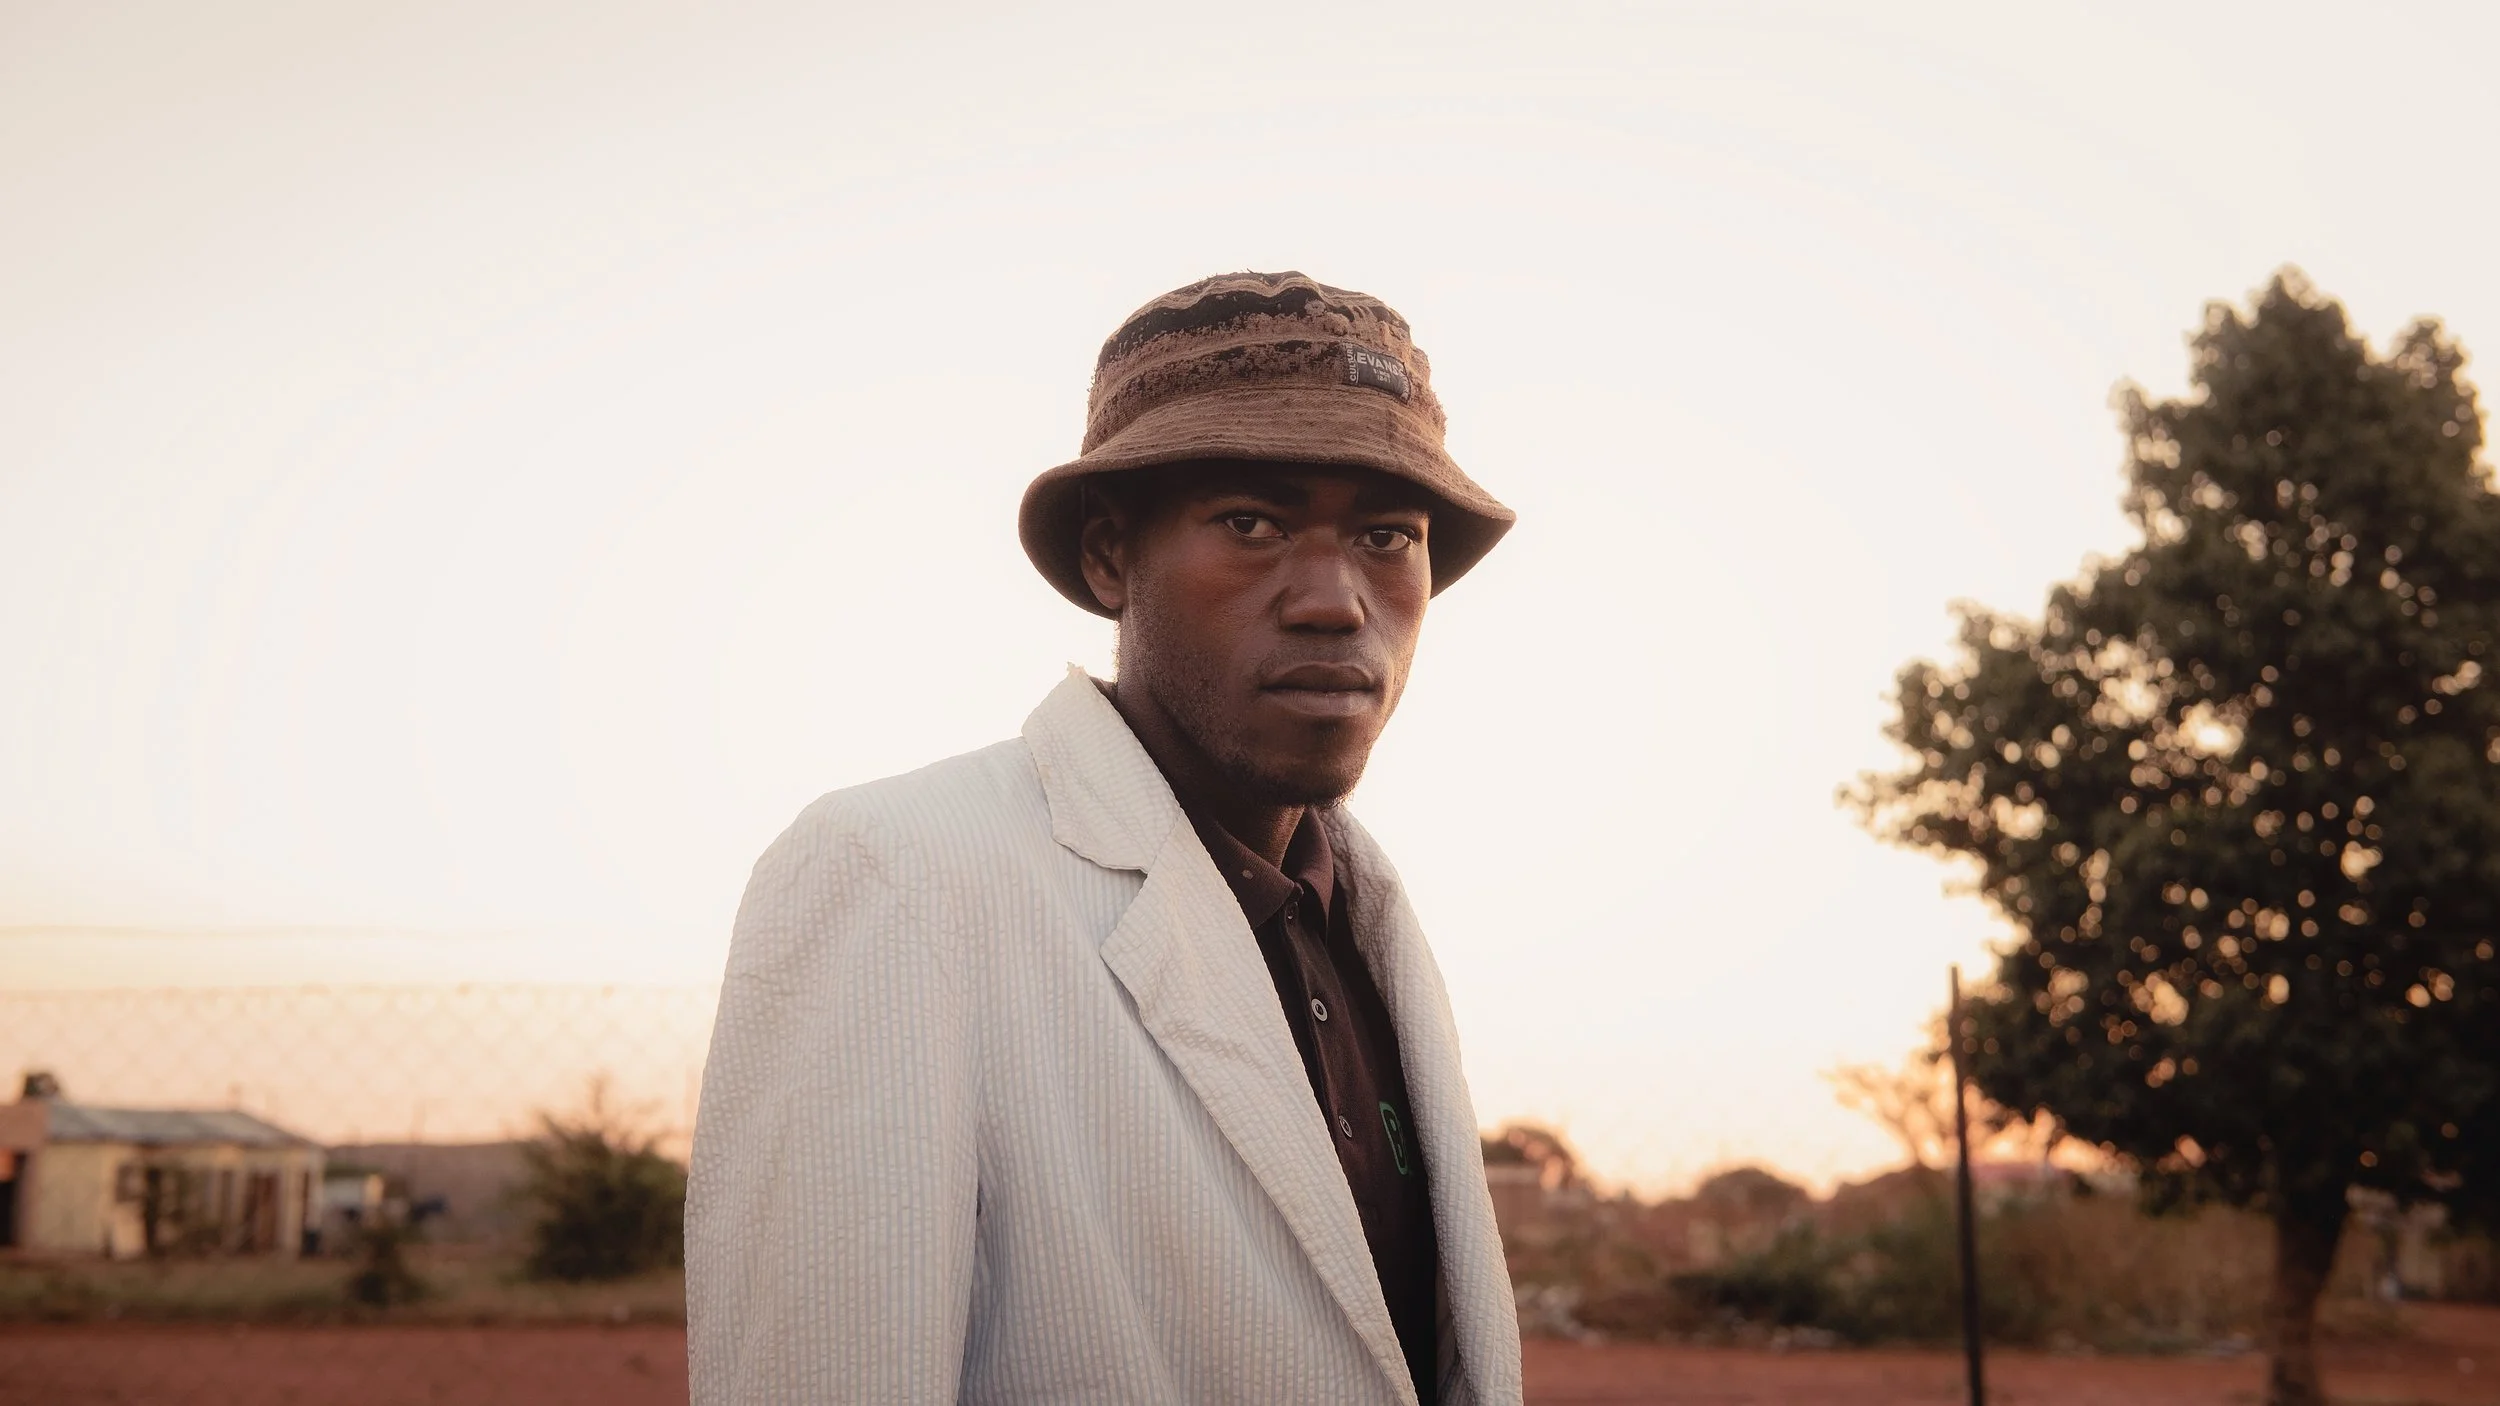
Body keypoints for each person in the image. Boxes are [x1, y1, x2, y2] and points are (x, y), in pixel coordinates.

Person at [688, 271, 1522, 1405]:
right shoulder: (901, 874)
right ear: (1107, 558)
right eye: (1252, 522)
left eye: (1386, 533)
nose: (1334, 597)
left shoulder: (1364, 921)